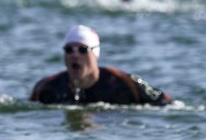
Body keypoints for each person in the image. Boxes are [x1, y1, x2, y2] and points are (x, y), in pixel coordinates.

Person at [30, 24, 171, 106]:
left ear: (95, 54)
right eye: (68, 50)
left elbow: (167, 104)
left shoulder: (125, 83)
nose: (74, 55)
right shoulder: (47, 88)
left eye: (82, 50)